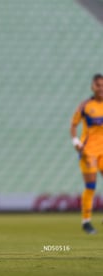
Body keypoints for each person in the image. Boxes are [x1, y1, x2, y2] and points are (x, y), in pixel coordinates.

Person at [70, 73, 103, 234]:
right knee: (91, 186)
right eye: (98, 85)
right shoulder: (85, 106)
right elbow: (73, 125)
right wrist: (76, 142)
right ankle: (86, 221)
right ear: (93, 87)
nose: (101, 88)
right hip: (88, 151)